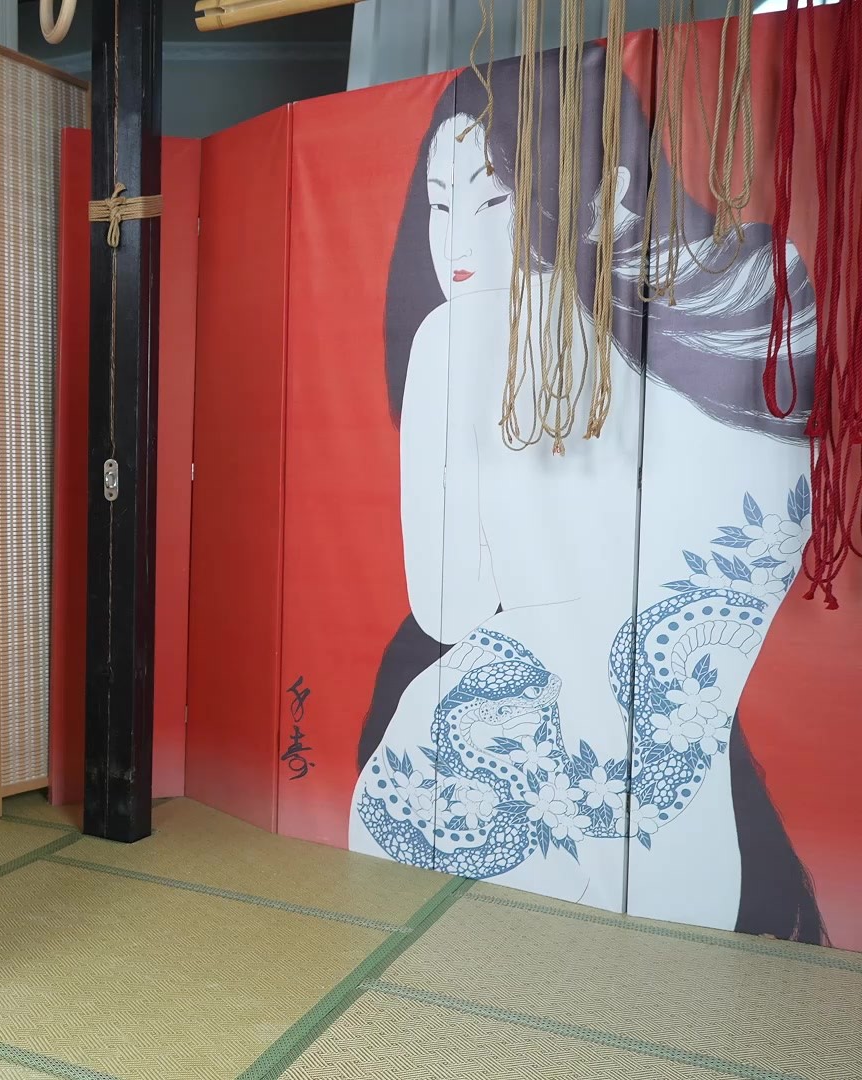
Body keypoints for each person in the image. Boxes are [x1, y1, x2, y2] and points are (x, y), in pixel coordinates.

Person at [350, 43, 825, 943]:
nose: (457, 244)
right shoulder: (757, 307)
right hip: (690, 826)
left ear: (600, 190)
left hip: (477, 776)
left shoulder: (454, 340)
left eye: (492, 198)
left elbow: (446, 605)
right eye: (441, 206)